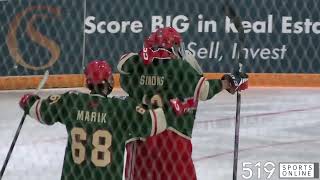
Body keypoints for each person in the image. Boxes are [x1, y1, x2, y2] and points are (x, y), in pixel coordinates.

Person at [117, 27, 248, 180]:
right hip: (174, 139)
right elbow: (204, 90)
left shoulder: (135, 70)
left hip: (141, 139)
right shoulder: (179, 67)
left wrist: (144, 58)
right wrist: (228, 82)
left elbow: (123, 66)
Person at [19, 60, 171, 180]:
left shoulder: (71, 101)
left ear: (88, 82)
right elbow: (158, 123)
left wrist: (29, 101)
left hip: (73, 176)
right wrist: (160, 103)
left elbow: (39, 111)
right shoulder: (121, 108)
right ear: (107, 82)